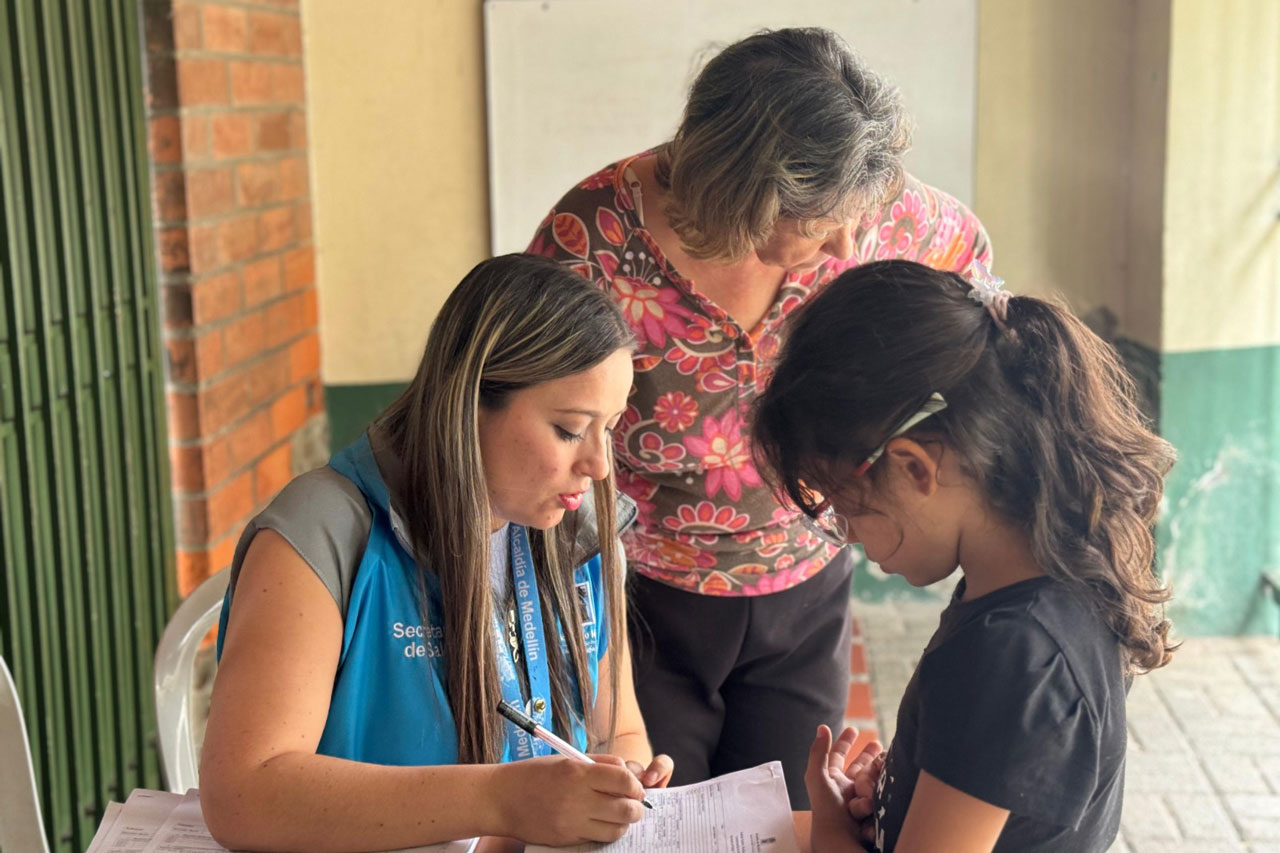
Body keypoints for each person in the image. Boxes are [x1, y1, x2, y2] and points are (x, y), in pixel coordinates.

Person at [528, 26, 991, 807]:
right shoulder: (594, 244)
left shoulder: (881, 214)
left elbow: (986, 316)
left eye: (859, 215)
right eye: (819, 222)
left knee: (790, 817)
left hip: (807, 581)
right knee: (659, 815)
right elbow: (533, 424)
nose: (850, 242)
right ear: (741, 191)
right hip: (645, 593)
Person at [198, 254, 672, 852]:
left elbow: (617, 733)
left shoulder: (579, 532)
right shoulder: (324, 528)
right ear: (468, 403)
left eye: (610, 427)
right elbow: (244, 793)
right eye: (570, 428)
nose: (599, 466)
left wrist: (618, 790)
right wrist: (499, 800)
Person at [752, 259, 1177, 852]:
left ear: (913, 467)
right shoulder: (1042, 580)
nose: (848, 538)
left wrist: (829, 828)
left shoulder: (1011, 654)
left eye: (846, 511)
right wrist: (904, 799)